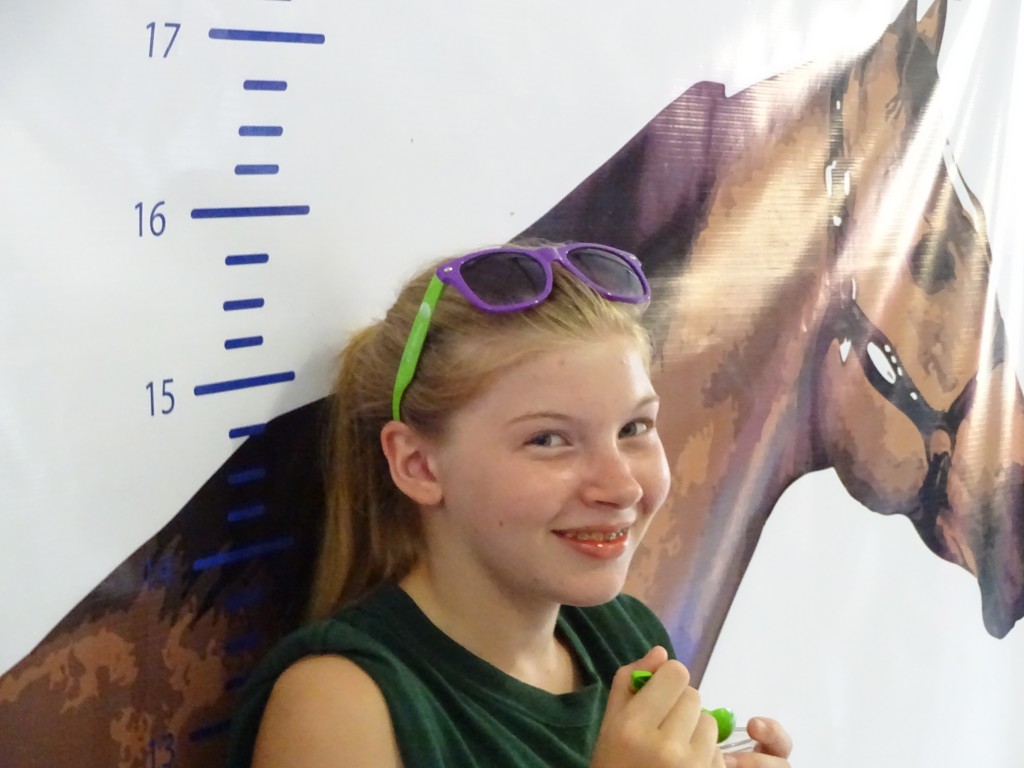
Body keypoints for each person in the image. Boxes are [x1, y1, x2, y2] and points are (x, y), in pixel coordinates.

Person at [226, 242, 793, 767]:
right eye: (548, 440)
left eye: (634, 427)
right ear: (418, 465)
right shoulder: (340, 704)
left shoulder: (624, 638)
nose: (620, 487)